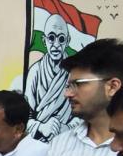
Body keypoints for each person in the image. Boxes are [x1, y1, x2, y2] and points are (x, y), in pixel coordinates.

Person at [25, 14, 82, 142]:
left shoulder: (74, 72)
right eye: (51, 38)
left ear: (67, 41)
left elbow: (83, 112)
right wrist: (41, 127)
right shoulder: (35, 71)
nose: (56, 44)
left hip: (69, 142)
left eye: (61, 39)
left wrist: (67, 128)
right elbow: (25, 116)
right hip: (38, 142)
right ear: (44, 40)